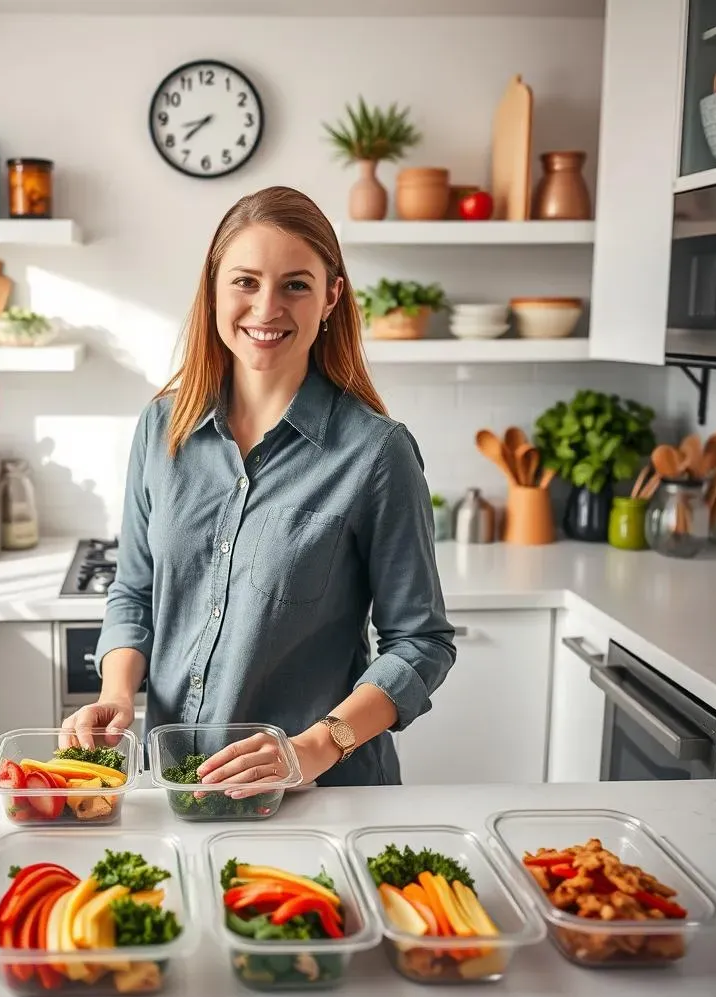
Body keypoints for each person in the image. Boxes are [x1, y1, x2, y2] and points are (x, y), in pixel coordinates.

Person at [62, 185, 455, 788]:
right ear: (214, 290)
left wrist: (319, 747)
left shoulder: (377, 453)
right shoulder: (162, 428)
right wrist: (118, 691)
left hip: (323, 796)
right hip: (183, 787)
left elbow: (420, 642)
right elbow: (135, 593)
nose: (266, 307)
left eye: (295, 284)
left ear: (330, 297)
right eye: (245, 282)